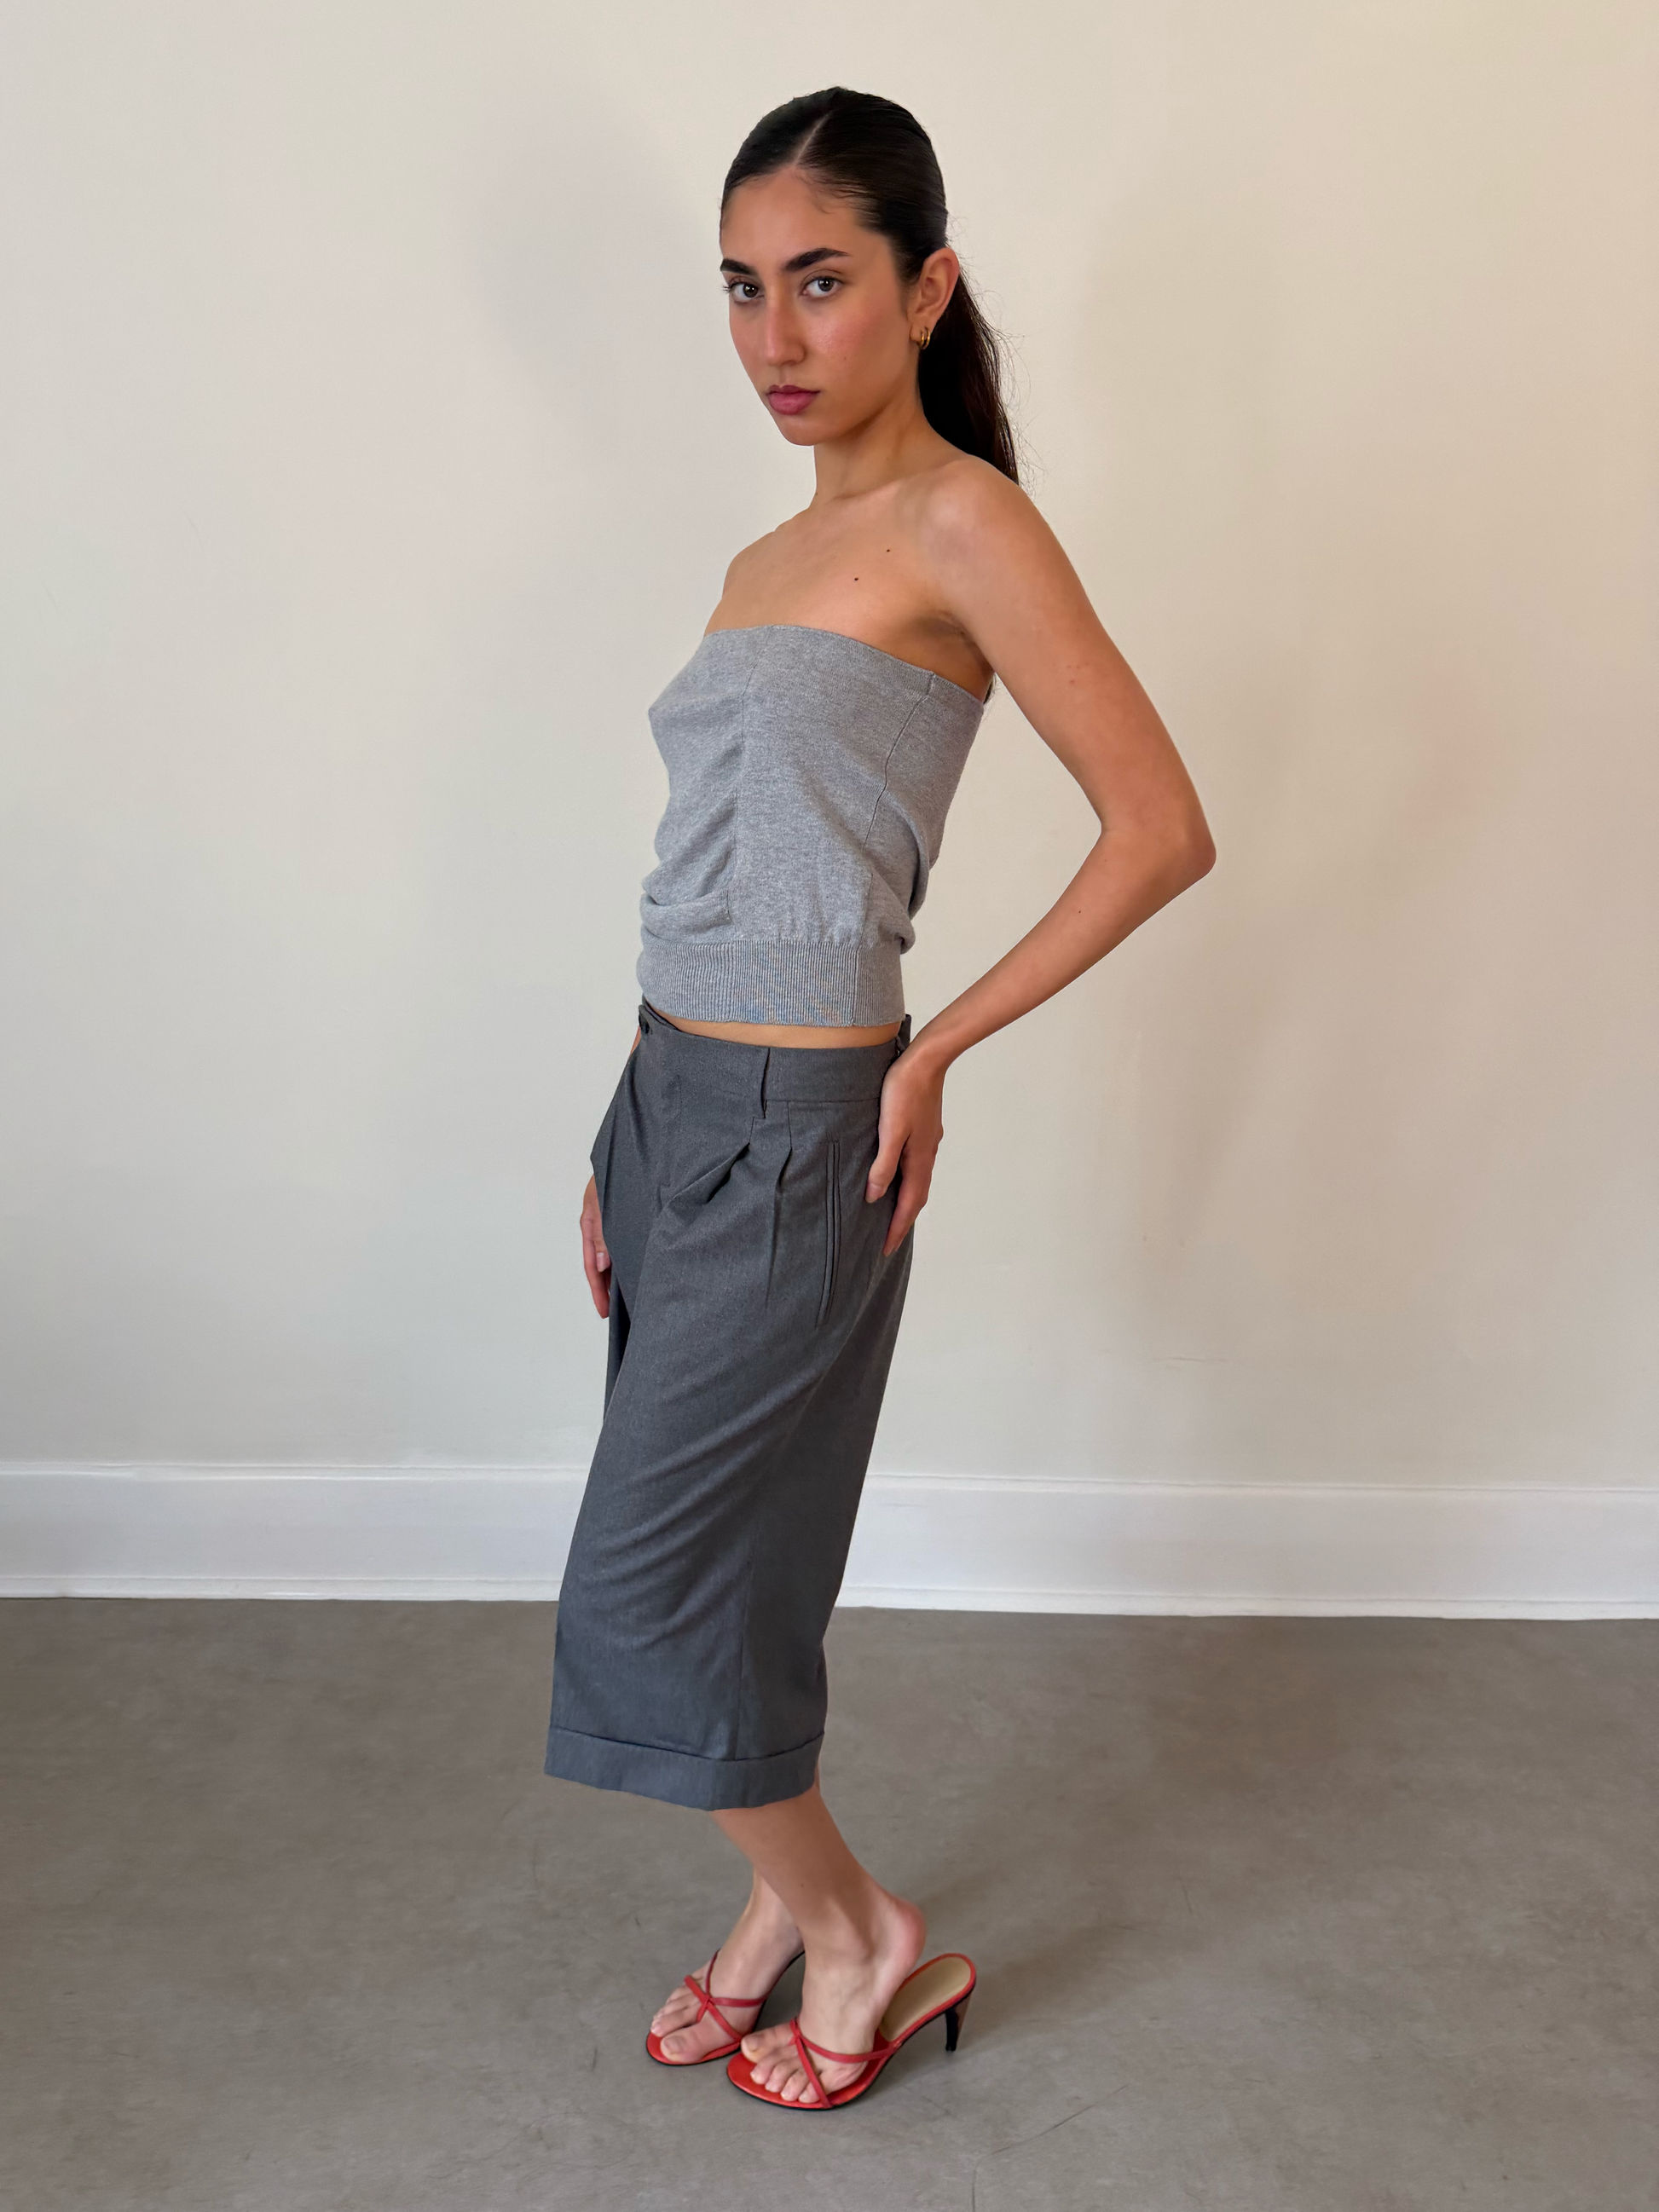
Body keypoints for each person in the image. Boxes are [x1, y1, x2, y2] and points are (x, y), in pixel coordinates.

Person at [545, 85, 1215, 2112]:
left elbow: (1159, 828)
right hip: (671, 1108)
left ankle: (852, 1927)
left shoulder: (961, 523)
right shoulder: (767, 551)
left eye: (820, 282)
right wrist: (624, 1116)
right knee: (738, 1561)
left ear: (924, 290)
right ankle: (778, 1911)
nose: (774, 335)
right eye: (741, 288)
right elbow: (721, 864)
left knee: (645, 1583)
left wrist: (933, 1047)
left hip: (800, 1121)